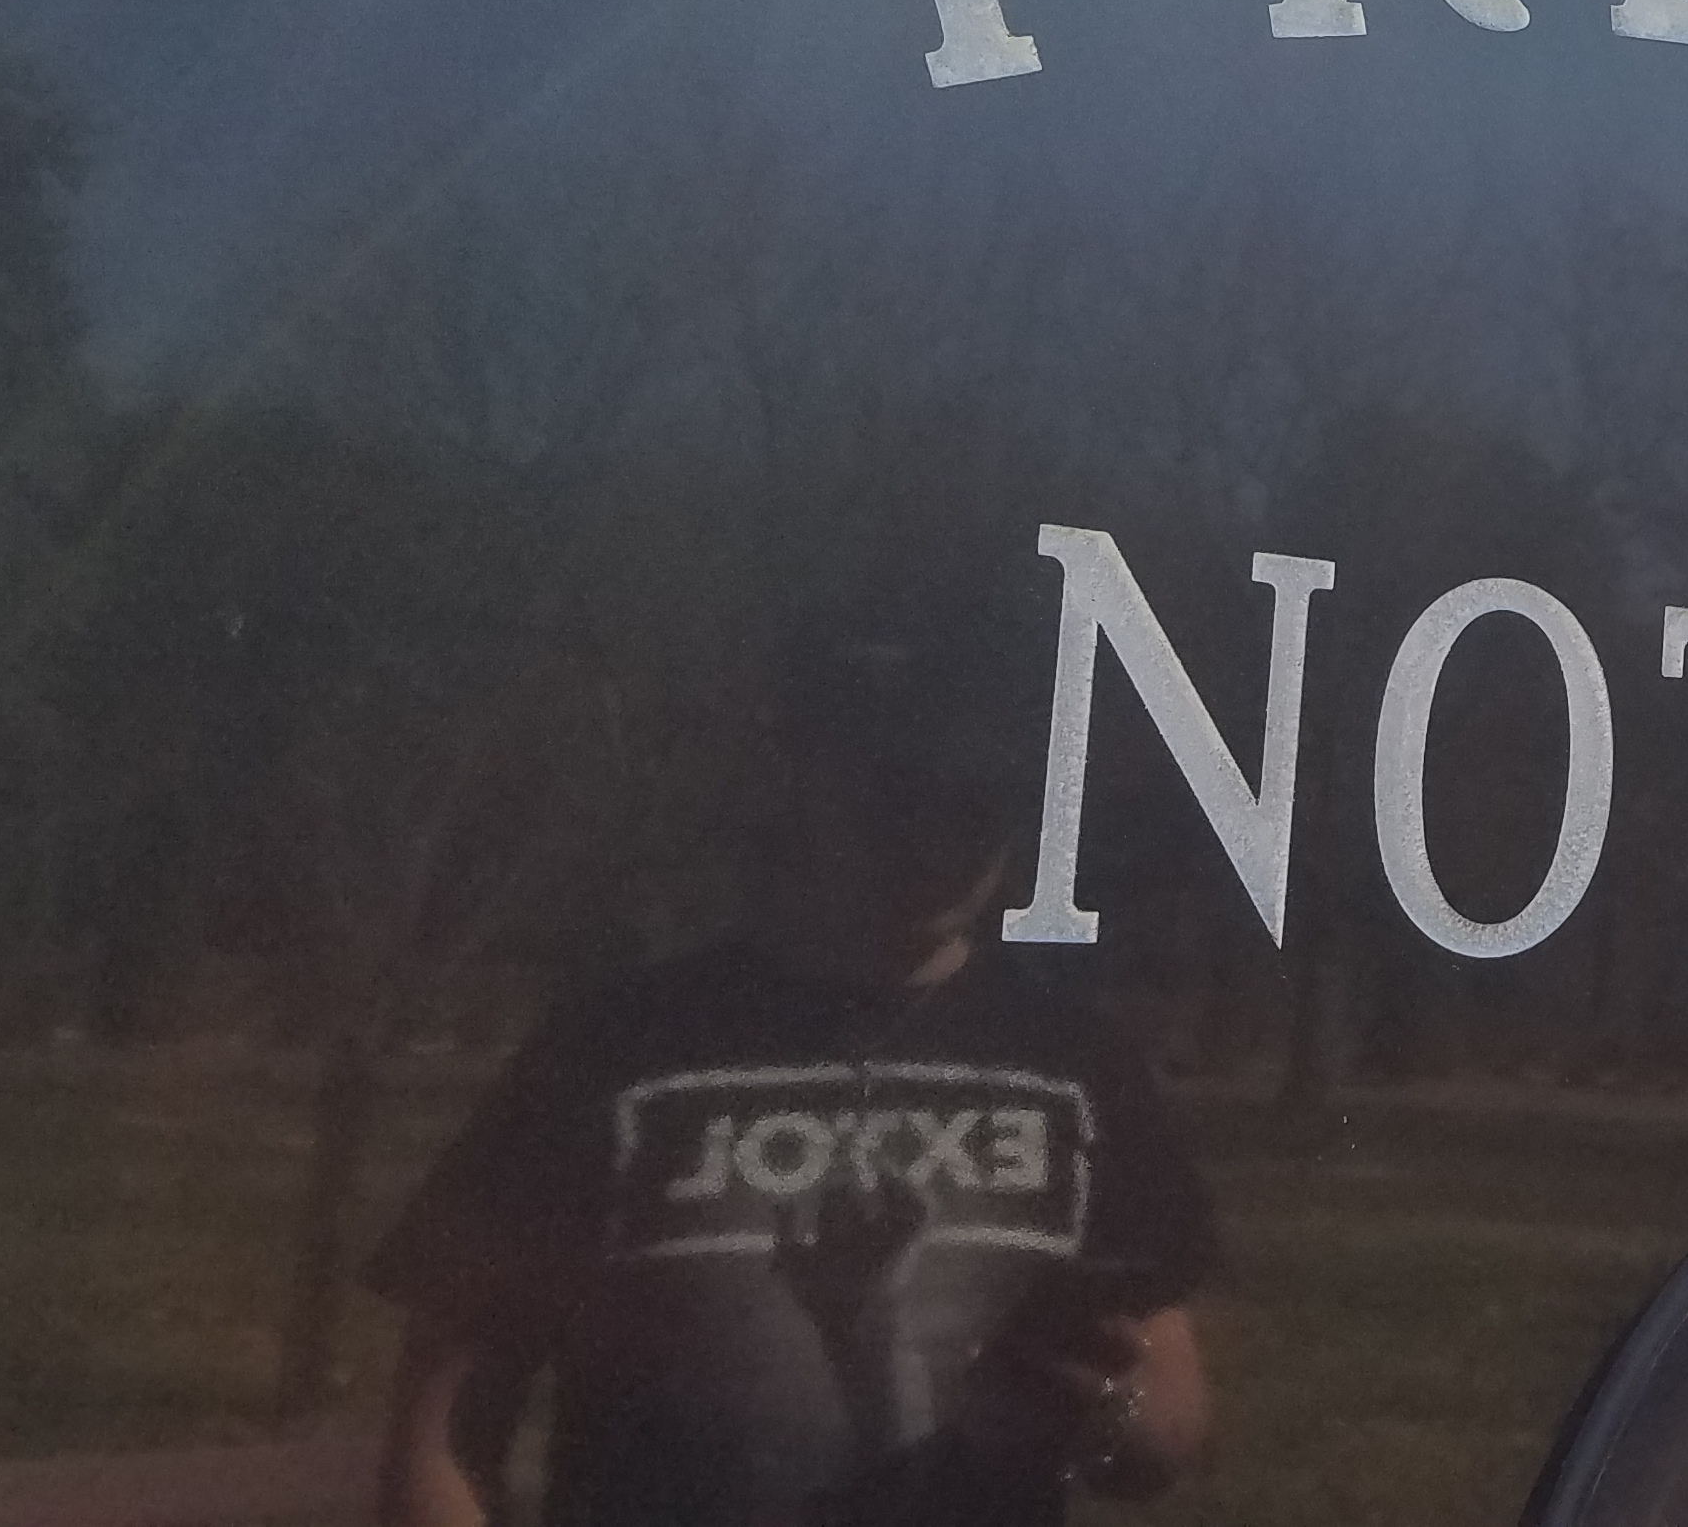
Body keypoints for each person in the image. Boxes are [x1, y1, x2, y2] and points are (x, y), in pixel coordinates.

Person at [370, 620, 1218, 1527]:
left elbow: (1168, 1419)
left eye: (980, 800)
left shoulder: (1079, 1062)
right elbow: (445, 1435)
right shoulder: (615, 1048)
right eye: (899, 791)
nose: (942, 835)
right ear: (804, 781)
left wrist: (1109, 1413)